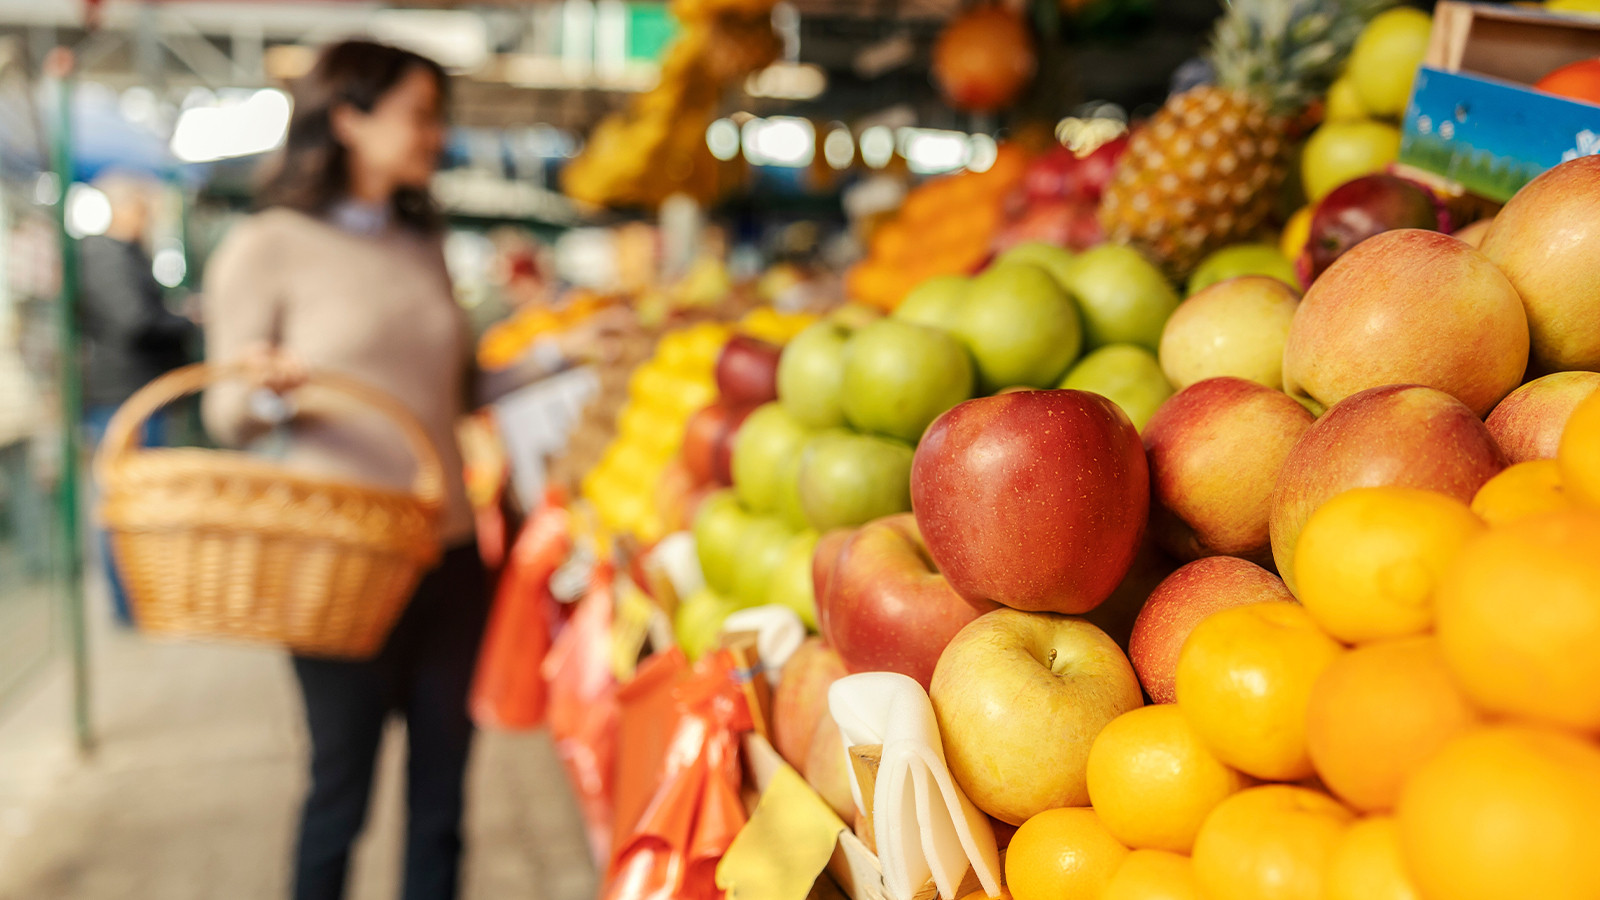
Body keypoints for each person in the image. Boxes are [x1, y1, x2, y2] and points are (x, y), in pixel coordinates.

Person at [200, 41, 485, 900]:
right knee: (340, 793)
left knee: (442, 803)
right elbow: (226, 412)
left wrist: (566, 357)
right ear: (350, 116)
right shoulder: (266, 245)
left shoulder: (421, 241)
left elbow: (450, 390)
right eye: (419, 113)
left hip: (450, 551)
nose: (436, 134)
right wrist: (275, 392)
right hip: (337, 560)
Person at [77, 172, 196, 623]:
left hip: (135, 392)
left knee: (137, 500)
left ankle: (142, 600)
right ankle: (131, 606)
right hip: (122, 396)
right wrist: (183, 322)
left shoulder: (123, 256)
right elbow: (133, 322)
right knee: (126, 502)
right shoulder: (105, 257)